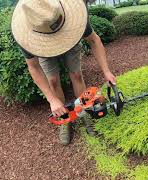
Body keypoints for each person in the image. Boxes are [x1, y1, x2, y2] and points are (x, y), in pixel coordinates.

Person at [11, 0, 116, 145]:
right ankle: (64, 119)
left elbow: (94, 40)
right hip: (42, 46)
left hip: (69, 36)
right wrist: (52, 100)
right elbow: (33, 67)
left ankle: (84, 113)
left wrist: (106, 71)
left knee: (76, 75)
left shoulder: (74, 18)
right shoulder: (26, 35)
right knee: (53, 81)